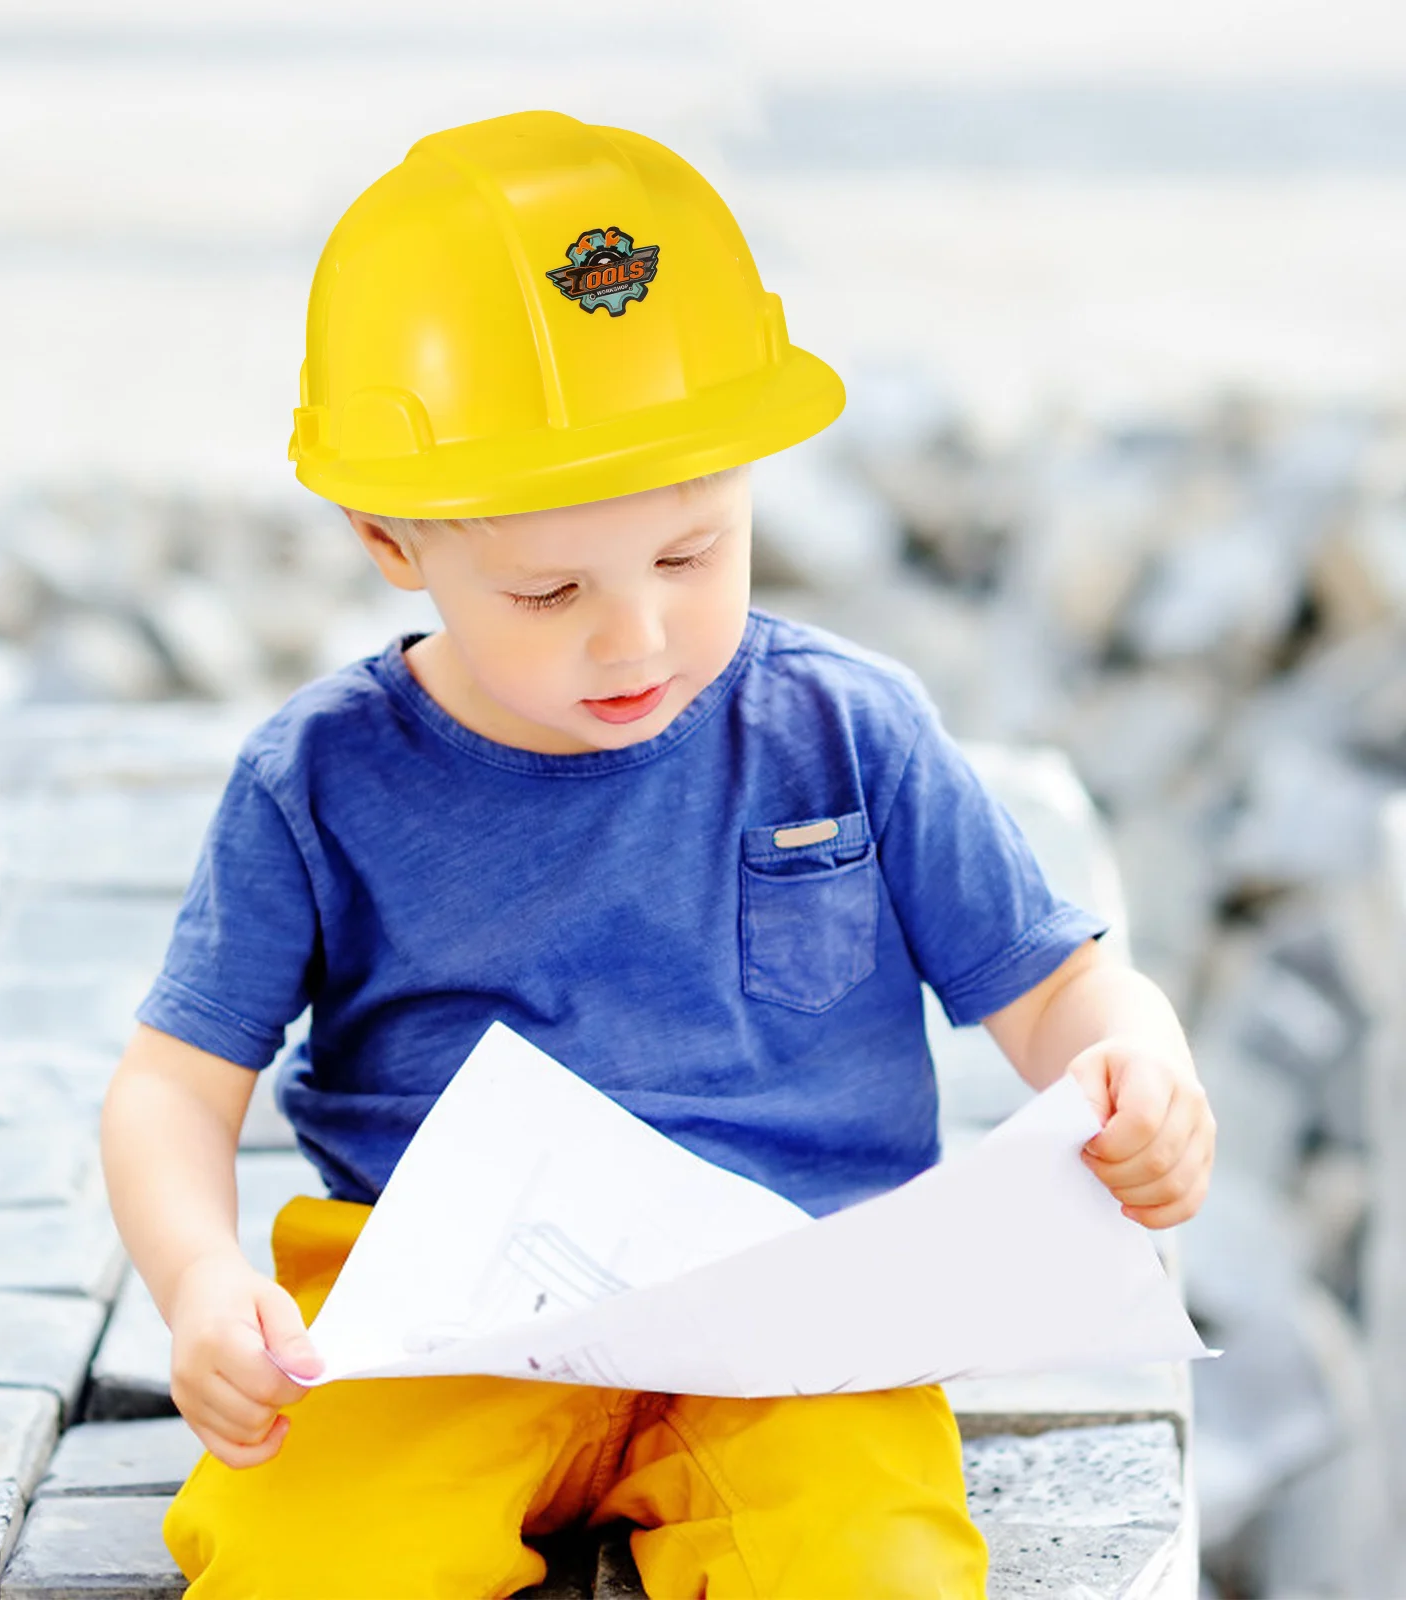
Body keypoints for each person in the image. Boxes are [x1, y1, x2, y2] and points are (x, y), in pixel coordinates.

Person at [100, 110, 1216, 1599]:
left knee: (875, 1571)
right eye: (549, 587)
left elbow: (1055, 986)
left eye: (693, 555)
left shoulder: (846, 731)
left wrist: (1138, 1064)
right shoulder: (319, 782)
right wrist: (198, 1281)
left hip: (800, 1319)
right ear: (390, 539)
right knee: (304, 1561)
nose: (636, 638)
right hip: (437, 1313)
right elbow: (174, 1084)